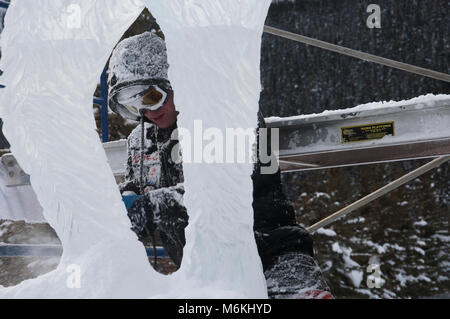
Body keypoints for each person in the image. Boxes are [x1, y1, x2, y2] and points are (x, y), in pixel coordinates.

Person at [108, 31, 332, 299]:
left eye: (151, 97)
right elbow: (134, 190)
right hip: (205, 276)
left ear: (175, 80)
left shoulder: (226, 112)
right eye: (132, 106)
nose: (147, 112)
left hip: (275, 262)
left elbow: (224, 190)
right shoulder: (140, 142)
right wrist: (123, 205)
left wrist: (152, 206)